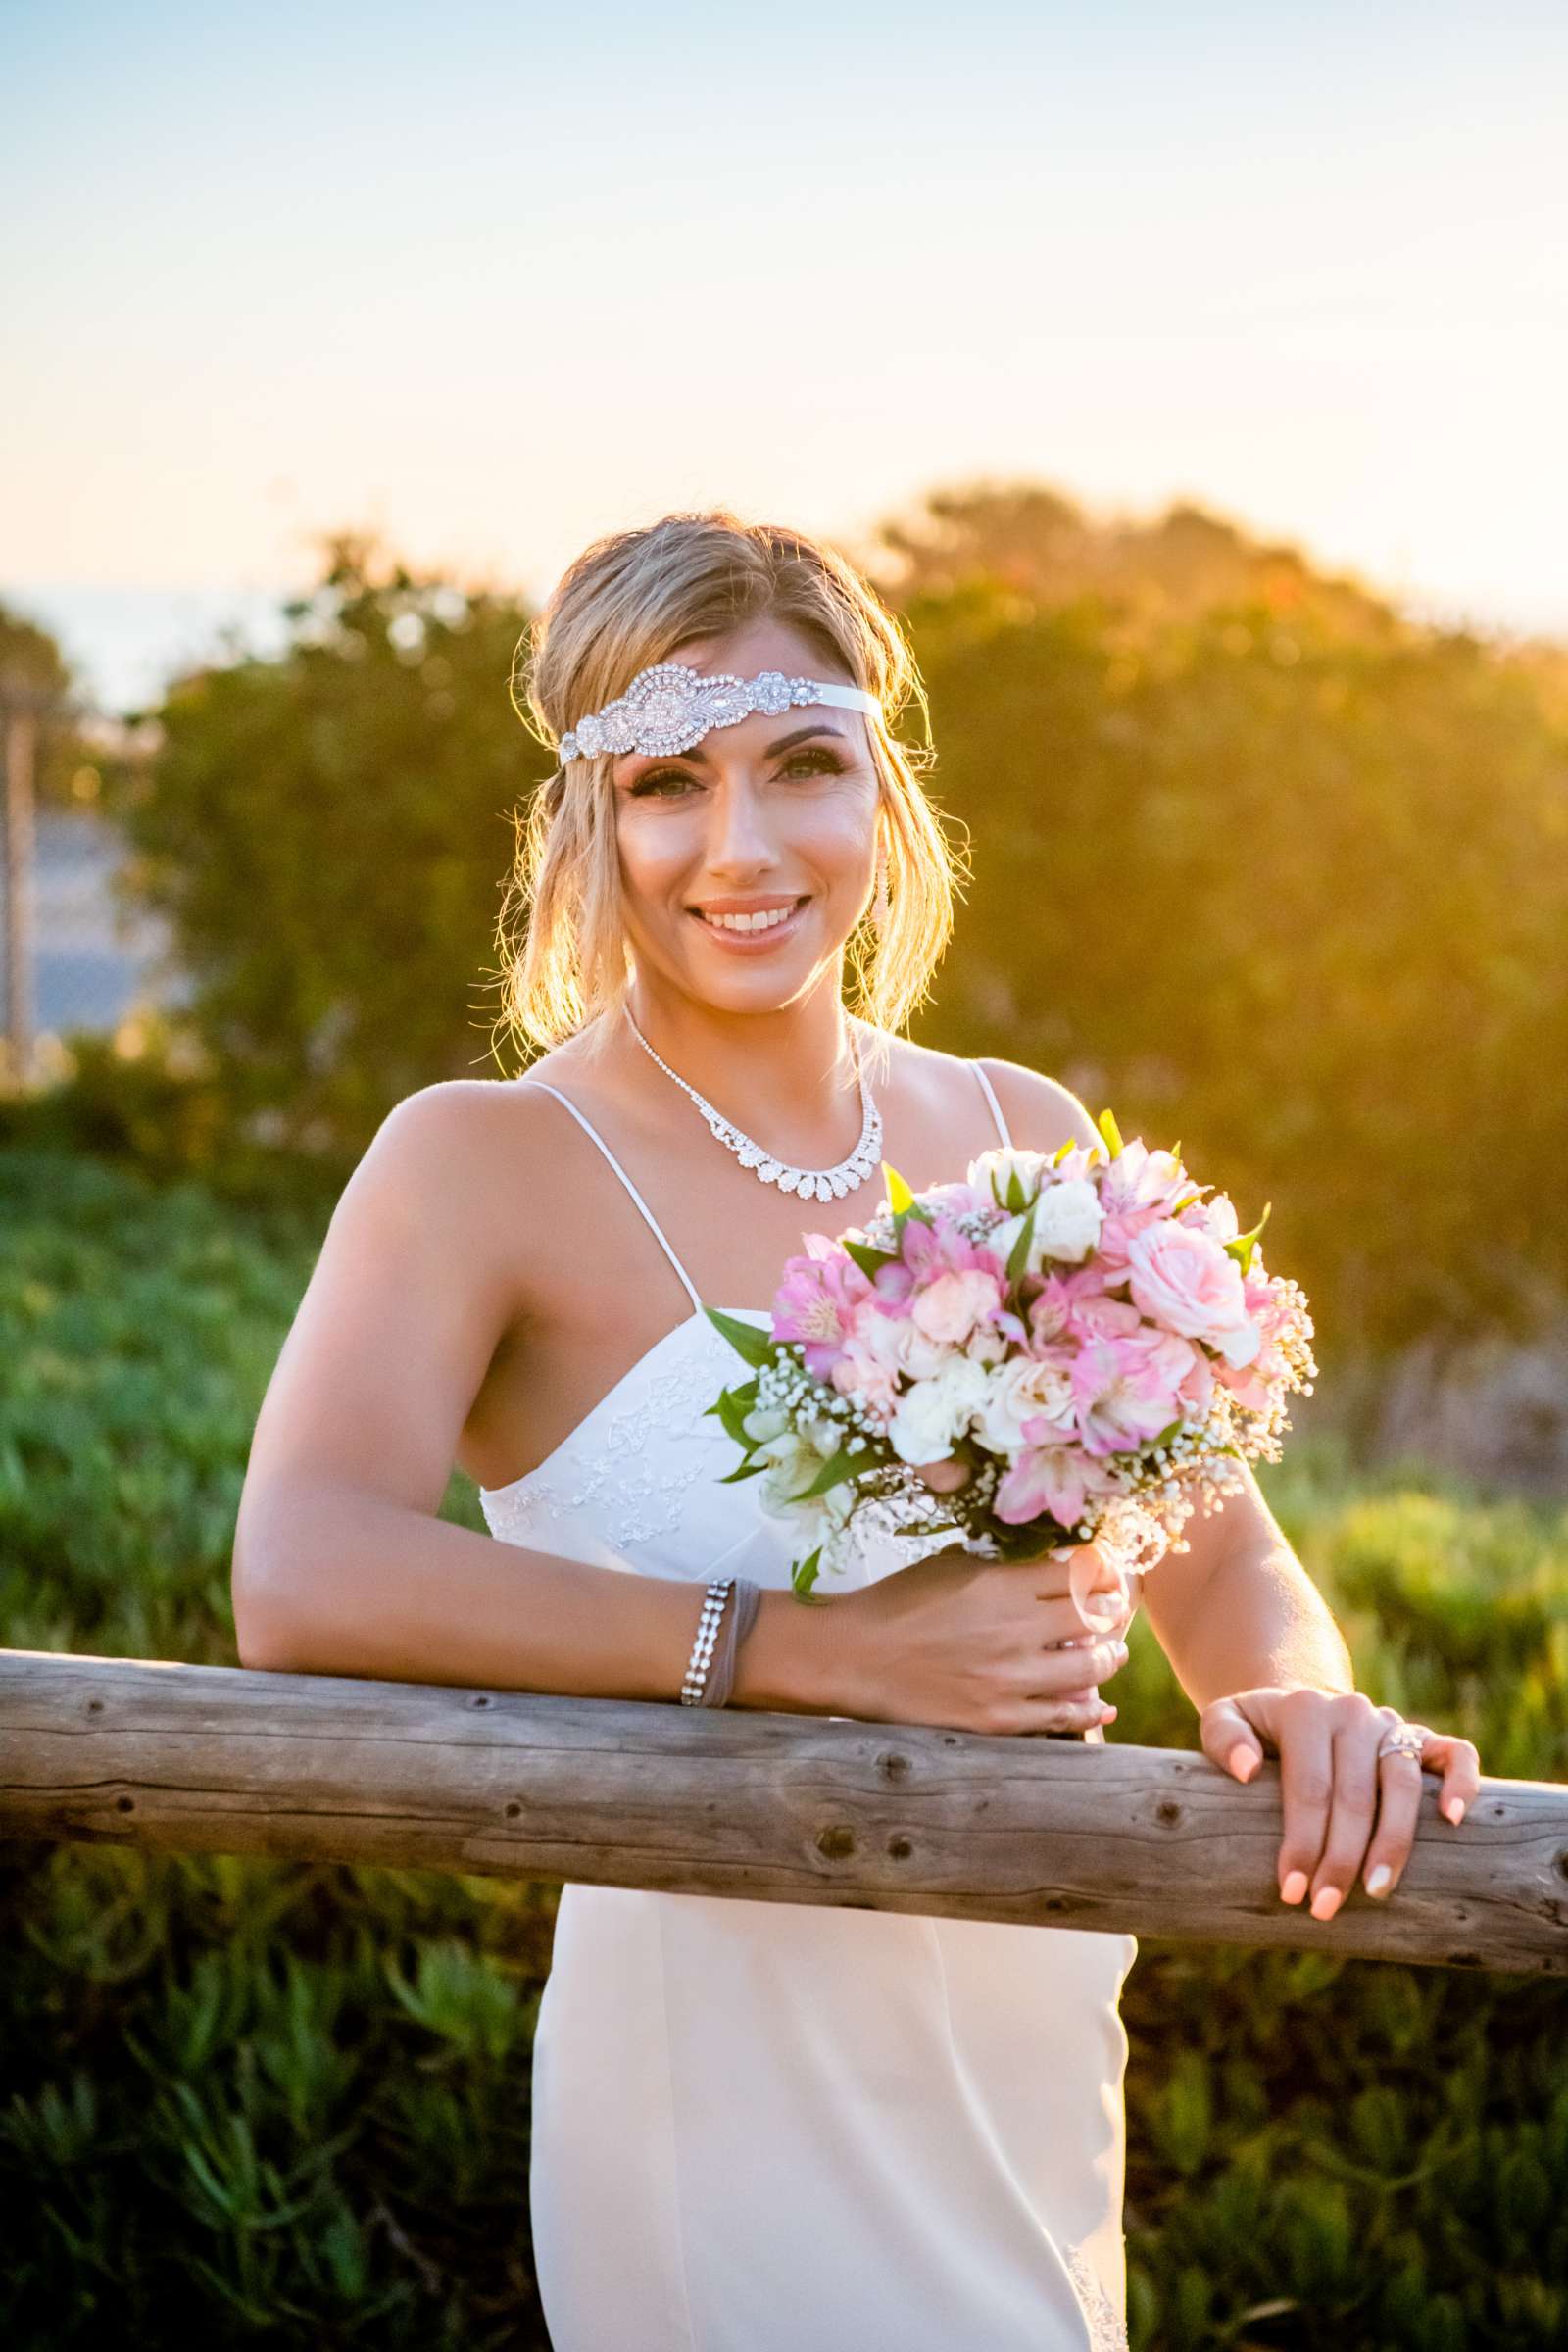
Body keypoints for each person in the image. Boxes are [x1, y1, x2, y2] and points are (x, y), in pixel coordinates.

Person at [232, 509, 1481, 2351]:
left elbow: (1222, 1555)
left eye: (802, 764)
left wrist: (1297, 1690)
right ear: (591, 824)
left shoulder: (1014, 1123)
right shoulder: (478, 1159)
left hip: (1023, 2039)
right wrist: (812, 1657)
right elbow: (303, 1572)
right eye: (668, 782)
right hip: (711, 2082)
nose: (739, 849)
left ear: (881, 788)